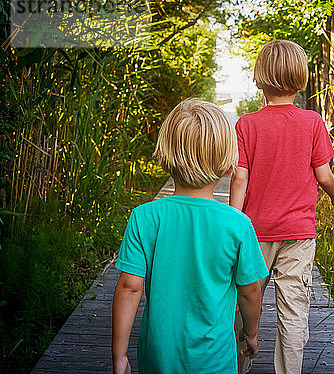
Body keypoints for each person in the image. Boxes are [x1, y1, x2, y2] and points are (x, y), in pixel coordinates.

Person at [112, 99, 269, 374]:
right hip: (216, 359)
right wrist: (250, 333)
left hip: (158, 358)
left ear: (163, 154)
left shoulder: (145, 217)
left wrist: (120, 355)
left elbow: (129, 287)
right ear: (227, 163)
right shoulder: (238, 224)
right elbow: (250, 291)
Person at [230, 40, 334, 374]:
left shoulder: (246, 125)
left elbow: (239, 180)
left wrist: (234, 223)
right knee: (294, 312)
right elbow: (324, 175)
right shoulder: (312, 122)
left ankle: (237, 366)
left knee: (243, 303)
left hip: (253, 235)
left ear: (259, 79)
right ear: (301, 78)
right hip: (298, 235)